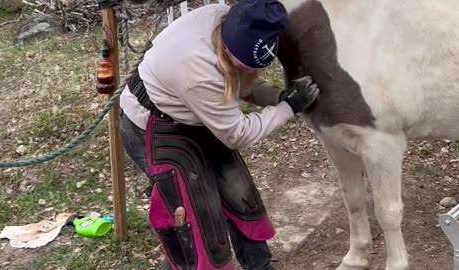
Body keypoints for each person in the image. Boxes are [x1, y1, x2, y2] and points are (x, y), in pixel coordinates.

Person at [118, 0, 319, 269]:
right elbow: (238, 133)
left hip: (196, 114)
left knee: (240, 196)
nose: (243, 67)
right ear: (226, 38)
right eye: (238, 60)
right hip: (154, 125)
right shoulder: (197, 68)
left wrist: (277, 97)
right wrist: (288, 107)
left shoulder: (232, 23)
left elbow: (238, 82)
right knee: (194, 218)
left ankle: (260, 267)